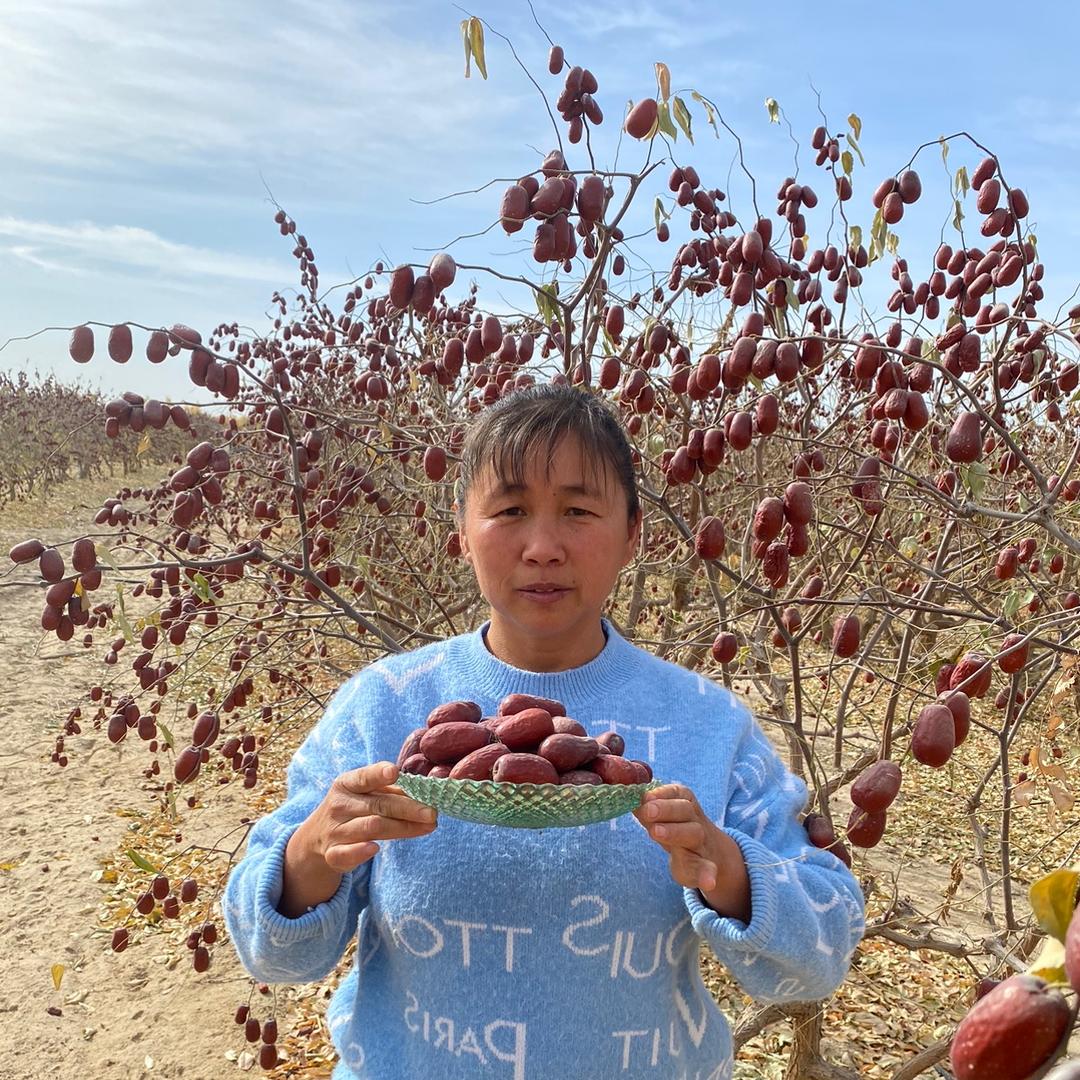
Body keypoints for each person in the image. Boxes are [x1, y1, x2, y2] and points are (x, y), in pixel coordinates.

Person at [223, 384, 865, 1080]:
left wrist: (729, 869)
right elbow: (270, 953)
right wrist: (309, 856)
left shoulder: (707, 724)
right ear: (462, 533)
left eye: (579, 510)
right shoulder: (382, 708)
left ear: (633, 534)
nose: (543, 547)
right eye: (510, 510)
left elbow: (822, 955)